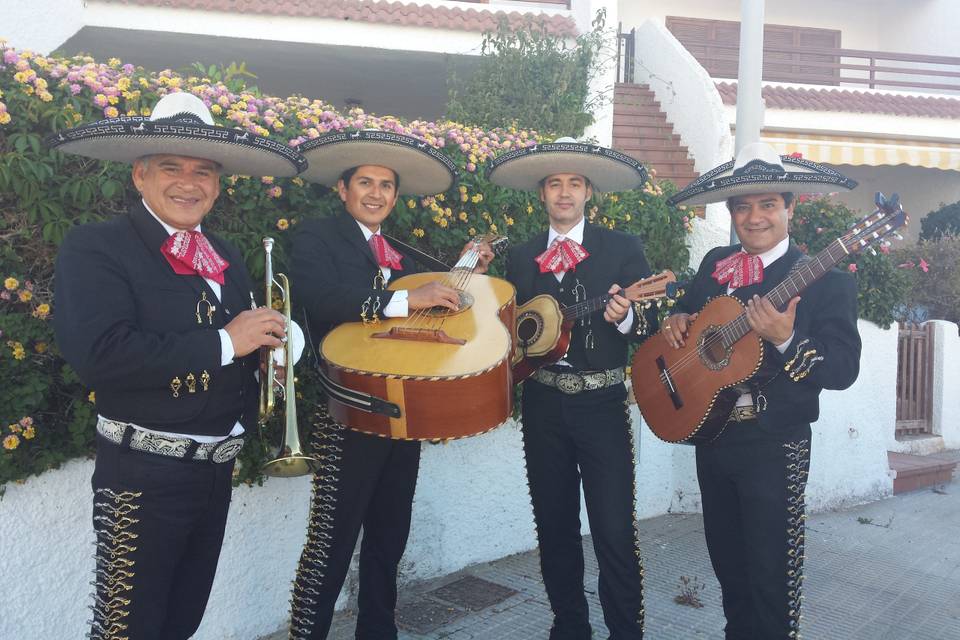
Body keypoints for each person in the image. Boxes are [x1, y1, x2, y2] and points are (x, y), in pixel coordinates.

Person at [49, 92, 307, 639]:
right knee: (127, 631)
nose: (189, 183)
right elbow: (103, 356)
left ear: (217, 184)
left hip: (214, 471)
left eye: (204, 171)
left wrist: (275, 350)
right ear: (140, 176)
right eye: (171, 167)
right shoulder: (97, 247)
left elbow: (243, 341)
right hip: (141, 475)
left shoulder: (224, 253)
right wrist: (227, 343)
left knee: (180, 625)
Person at [287, 129, 492, 640]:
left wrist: (466, 268)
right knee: (330, 542)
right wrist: (406, 301)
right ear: (343, 189)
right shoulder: (315, 237)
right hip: (347, 409)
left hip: (403, 410)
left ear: (395, 196)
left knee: (388, 538)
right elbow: (322, 297)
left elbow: (437, 298)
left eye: (385, 186)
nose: (375, 193)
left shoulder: (398, 249)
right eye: (365, 183)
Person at [662, 142, 862, 639]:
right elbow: (685, 318)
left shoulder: (829, 282)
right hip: (712, 437)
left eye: (768, 204)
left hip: (775, 442)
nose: (754, 218)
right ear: (732, 213)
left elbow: (842, 369)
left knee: (773, 577)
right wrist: (676, 320)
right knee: (730, 569)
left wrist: (786, 338)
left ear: (790, 208)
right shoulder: (715, 264)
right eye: (743, 206)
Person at [487, 138, 657, 639]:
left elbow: (649, 323)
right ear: (542, 194)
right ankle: (569, 627)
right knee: (554, 525)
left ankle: (626, 632)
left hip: (602, 404)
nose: (565, 193)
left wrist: (625, 317)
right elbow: (511, 331)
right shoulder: (520, 257)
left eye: (575, 184)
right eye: (555, 184)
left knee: (613, 528)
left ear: (589, 193)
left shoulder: (622, 247)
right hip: (542, 403)